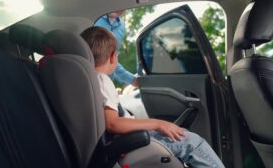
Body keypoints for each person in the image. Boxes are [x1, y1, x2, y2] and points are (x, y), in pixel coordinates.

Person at [81, 26, 225, 168]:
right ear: (113, 57)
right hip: (126, 143)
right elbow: (113, 124)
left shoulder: (86, 81)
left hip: (121, 141)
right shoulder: (102, 80)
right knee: (193, 143)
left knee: (182, 134)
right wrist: (158, 124)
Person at [94, 11, 138, 87]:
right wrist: (131, 79)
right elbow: (103, 58)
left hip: (108, 84)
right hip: (94, 81)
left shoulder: (122, 26)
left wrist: (133, 80)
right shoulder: (95, 19)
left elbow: (112, 59)